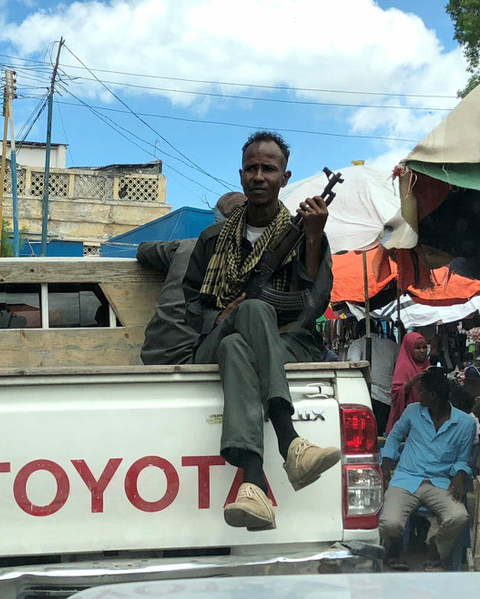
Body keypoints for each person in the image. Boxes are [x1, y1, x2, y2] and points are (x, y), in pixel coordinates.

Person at [184, 131, 339, 531]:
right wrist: (223, 316)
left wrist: (313, 236)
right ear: (240, 175)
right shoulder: (212, 239)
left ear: (284, 178)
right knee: (245, 317)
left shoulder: (303, 232)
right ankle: (291, 443)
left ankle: (253, 484)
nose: (258, 176)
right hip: (212, 341)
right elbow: (192, 304)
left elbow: (314, 300)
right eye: (251, 168)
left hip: (284, 344)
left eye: (268, 169)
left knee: (240, 346)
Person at [379, 368, 473, 571]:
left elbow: (463, 458)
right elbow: (395, 436)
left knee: (459, 517)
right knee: (389, 522)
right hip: (406, 478)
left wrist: (460, 473)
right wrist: (386, 461)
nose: (417, 394)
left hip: (440, 482)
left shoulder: (465, 423)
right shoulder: (413, 411)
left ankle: (435, 548)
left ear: (433, 396)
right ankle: (392, 549)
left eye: (421, 391)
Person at [138, 192, 247, 365]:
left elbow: (143, 250)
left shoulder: (186, 246)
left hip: (155, 350)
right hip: (193, 355)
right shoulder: (248, 259)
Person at [346, 319, 400, 436]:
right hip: (388, 398)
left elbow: (353, 366)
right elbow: (399, 368)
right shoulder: (391, 345)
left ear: (358, 332)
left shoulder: (358, 344)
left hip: (368, 396)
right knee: (384, 434)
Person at [385, 332, 429, 434]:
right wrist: (414, 379)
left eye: (424, 347)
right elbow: (396, 393)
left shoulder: (427, 365)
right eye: (417, 348)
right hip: (407, 421)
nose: (422, 351)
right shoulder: (404, 367)